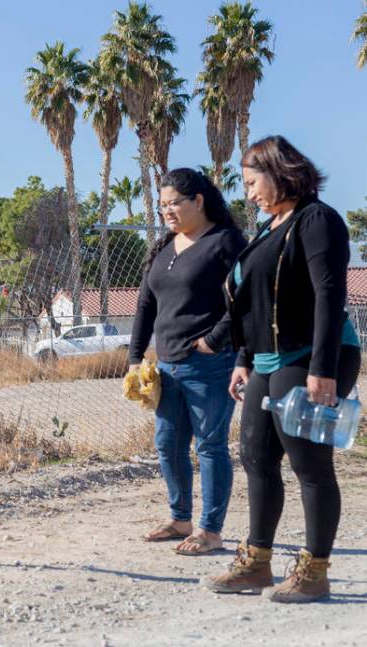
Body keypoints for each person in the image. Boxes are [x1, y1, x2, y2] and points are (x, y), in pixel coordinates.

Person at [202, 136, 361, 603]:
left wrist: (323, 369)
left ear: (278, 171)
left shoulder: (318, 219)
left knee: (309, 464)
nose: (248, 192)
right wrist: (242, 359)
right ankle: (257, 563)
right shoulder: (270, 229)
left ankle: (315, 570)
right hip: (267, 360)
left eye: (252, 182)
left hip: (311, 356)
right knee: (255, 458)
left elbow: (330, 294)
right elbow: (251, 305)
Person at [129, 168, 247, 555]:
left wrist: (213, 341)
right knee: (168, 443)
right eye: (162, 205)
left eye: (174, 203)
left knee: (211, 446)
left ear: (198, 201)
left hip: (209, 366)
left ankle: (210, 530)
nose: (167, 211)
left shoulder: (225, 242)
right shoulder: (165, 247)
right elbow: (146, 305)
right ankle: (180, 520)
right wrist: (134, 358)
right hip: (166, 366)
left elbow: (246, 300)